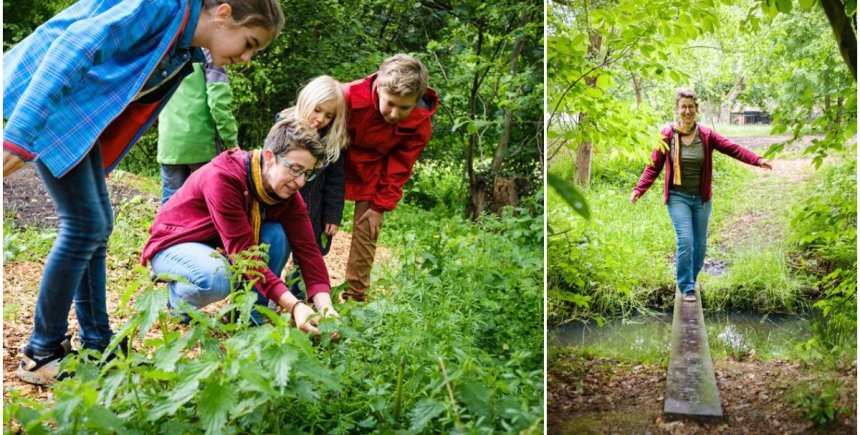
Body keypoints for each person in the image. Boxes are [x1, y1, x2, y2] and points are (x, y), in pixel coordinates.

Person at [3, 0, 285, 386]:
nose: (248, 57)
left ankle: (97, 342)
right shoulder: (163, 6)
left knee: (96, 225)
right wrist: (19, 137)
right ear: (223, 13)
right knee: (85, 226)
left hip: (73, 117)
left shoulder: (183, 44)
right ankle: (41, 352)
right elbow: (74, 45)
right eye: (250, 42)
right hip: (47, 102)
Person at [141, 116, 340, 334]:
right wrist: (295, 305)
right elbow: (243, 255)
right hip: (175, 244)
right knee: (216, 278)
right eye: (295, 169)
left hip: (218, 248)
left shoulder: (287, 195)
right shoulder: (224, 177)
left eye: (307, 174)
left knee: (277, 235)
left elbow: (308, 251)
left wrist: (326, 308)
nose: (300, 182)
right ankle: (179, 301)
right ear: (270, 157)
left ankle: (250, 317)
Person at [630, 88, 772, 303]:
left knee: (700, 244)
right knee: (685, 240)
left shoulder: (706, 135)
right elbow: (653, 167)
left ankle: (692, 278)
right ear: (677, 110)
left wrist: (757, 160)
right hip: (678, 197)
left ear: (696, 109)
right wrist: (639, 189)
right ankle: (686, 286)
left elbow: (733, 148)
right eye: (683, 107)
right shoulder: (667, 136)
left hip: (702, 198)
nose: (687, 111)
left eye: (691, 107)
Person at [341, 54, 439, 302]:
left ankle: (355, 300)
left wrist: (380, 206)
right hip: (335, 163)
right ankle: (302, 291)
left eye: (404, 107)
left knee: (367, 232)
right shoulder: (347, 96)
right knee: (314, 226)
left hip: (374, 172)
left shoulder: (420, 124)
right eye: (390, 103)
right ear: (379, 88)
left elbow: (400, 166)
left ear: (417, 102)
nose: (395, 113)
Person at [275, 76, 350, 296]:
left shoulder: (333, 141)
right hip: (280, 205)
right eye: (317, 110)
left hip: (312, 208)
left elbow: (336, 182)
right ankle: (273, 291)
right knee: (277, 246)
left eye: (329, 115)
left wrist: (333, 215)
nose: (321, 119)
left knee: (308, 250)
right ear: (306, 101)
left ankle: (297, 292)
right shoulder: (284, 127)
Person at [157, 48, 239, 205]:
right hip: (203, 144)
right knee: (206, 204)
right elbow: (218, 103)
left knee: (170, 203)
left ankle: (163, 230)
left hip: (169, 141)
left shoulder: (168, 50)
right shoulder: (212, 53)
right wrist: (231, 143)